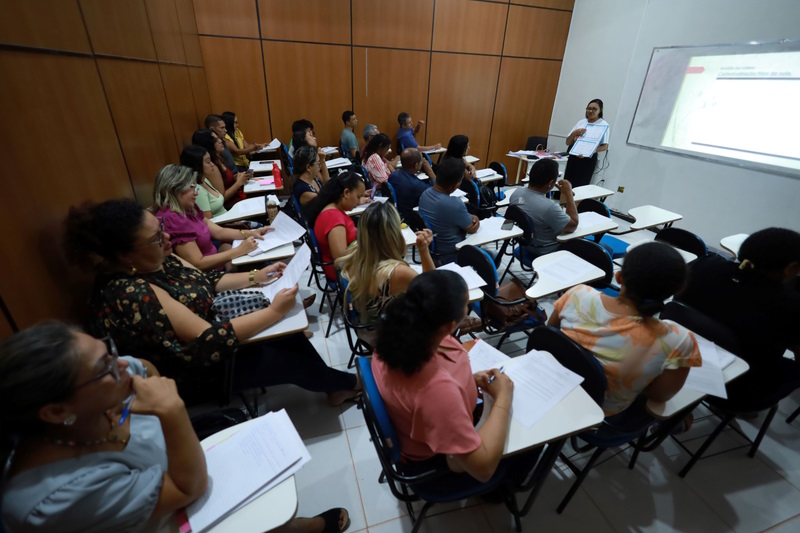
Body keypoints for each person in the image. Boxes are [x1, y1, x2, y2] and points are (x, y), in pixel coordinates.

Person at [62, 199, 361, 407]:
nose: (167, 237)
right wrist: (272, 311)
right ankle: (350, 384)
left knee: (291, 337)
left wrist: (258, 277)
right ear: (126, 256)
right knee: (282, 359)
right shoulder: (129, 294)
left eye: (162, 228)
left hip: (216, 334)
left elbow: (208, 282)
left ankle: (336, 387)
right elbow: (207, 337)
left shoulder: (155, 259)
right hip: (197, 370)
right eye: (155, 237)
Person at [0, 322, 208, 532]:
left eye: (110, 352)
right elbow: (187, 488)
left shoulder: (105, 388)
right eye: (105, 367)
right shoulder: (59, 497)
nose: (122, 365)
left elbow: (143, 367)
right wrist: (171, 410)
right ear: (56, 412)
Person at [372, 270, 541, 485]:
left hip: (426, 428)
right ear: (451, 325)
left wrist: (467, 380)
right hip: (435, 462)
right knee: (532, 441)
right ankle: (498, 493)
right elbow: (483, 469)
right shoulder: (436, 391)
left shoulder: (395, 334)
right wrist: (503, 398)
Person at [549, 242, 701, 423]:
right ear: (675, 291)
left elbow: (550, 335)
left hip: (554, 388)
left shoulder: (577, 295)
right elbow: (660, 395)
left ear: (619, 277)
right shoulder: (677, 340)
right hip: (601, 416)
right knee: (675, 412)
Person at [676, 228, 800, 407]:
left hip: (676, 360)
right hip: (735, 391)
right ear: (792, 268)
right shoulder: (790, 306)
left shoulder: (702, 265)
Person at [340, 202, 434, 341]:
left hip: (367, 326)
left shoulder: (355, 249)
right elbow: (434, 291)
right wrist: (424, 251)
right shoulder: (396, 272)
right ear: (393, 233)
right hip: (386, 337)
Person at [151, 164, 266, 271]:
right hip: (211, 275)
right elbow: (198, 263)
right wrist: (239, 250)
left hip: (219, 261)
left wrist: (250, 233)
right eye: (191, 187)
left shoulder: (187, 207)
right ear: (174, 189)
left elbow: (219, 232)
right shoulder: (173, 219)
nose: (196, 193)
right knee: (263, 266)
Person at [510, 158, 578, 258]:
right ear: (551, 183)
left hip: (524, 244)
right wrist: (568, 193)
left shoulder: (516, 193)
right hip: (545, 250)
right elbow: (573, 225)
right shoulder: (549, 207)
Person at [418, 158, 479, 264]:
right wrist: (476, 218)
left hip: (432, 252)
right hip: (452, 255)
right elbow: (471, 228)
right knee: (492, 256)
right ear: (456, 185)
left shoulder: (425, 194)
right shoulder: (454, 204)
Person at [308, 172, 366, 281]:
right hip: (342, 273)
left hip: (346, 266)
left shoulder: (334, 209)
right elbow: (341, 259)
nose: (358, 202)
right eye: (358, 197)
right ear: (346, 193)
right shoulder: (333, 218)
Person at [191, 129, 249, 209]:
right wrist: (239, 182)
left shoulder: (219, 158)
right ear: (208, 145)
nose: (220, 141)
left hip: (238, 199)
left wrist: (238, 177)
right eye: (215, 140)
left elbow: (226, 182)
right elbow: (222, 198)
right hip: (231, 206)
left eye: (218, 138)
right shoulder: (212, 167)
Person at [563, 98, 609, 188]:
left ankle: (576, 202)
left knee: (580, 186)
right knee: (567, 183)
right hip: (573, 157)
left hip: (588, 159)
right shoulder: (581, 122)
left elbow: (604, 147)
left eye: (594, 109)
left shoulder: (604, 124)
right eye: (589, 108)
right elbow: (568, 142)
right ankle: (563, 201)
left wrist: (589, 152)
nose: (591, 111)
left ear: (600, 110)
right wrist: (575, 132)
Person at [388, 148, 433, 217]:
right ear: (416, 165)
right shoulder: (416, 185)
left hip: (394, 212)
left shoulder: (393, 175)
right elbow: (435, 193)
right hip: (409, 217)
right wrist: (430, 170)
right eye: (421, 161)